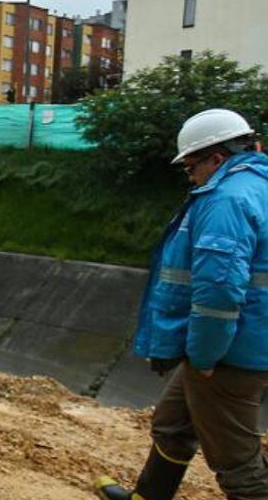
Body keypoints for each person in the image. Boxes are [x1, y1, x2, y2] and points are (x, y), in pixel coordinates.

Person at [95, 108, 268, 500]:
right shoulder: (259, 186)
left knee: (237, 463)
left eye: (191, 167)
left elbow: (219, 292)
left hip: (231, 354)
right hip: (245, 341)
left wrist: (204, 356)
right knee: (173, 425)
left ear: (217, 158)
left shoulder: (227, 200)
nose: (190, 176)